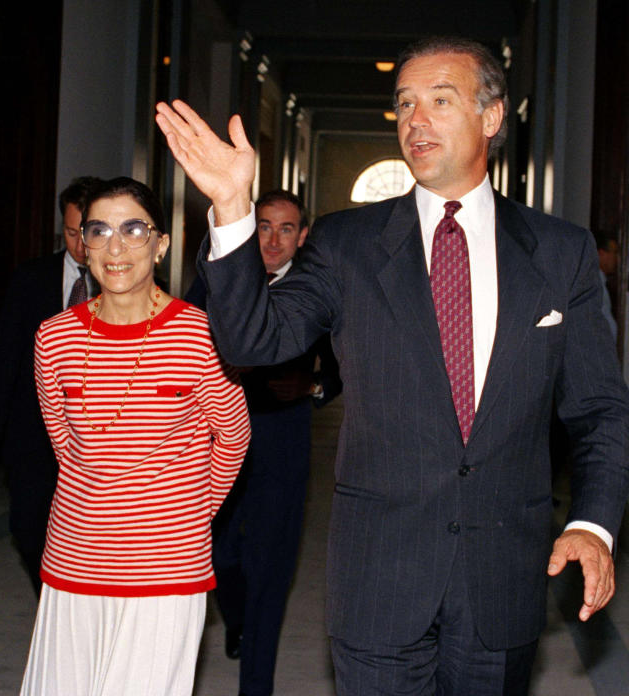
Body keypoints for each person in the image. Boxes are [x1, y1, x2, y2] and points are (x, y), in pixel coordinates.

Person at [156, 35, 629, 695]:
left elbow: (599, 407)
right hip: (381, 577)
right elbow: (252, 343)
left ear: (491, 118)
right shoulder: (346, 245)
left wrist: (593, 523)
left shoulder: (561, 252)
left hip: (501, 574)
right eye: (404, 104)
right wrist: (233, 211)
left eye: (440, 99)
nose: (416, 120)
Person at [19, 177, 251, 695]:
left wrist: (188, 510)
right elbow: (66, 448)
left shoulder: (202, 336)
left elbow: (233, 438)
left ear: (160, 243)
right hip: (74, 558)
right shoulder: (54, 338)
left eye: (133, 229)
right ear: (82, 244)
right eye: (98, 231)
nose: (115, 247)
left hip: (168, 563)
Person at [186, 189, 342, 696]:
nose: (274, 239)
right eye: (265, 227)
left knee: (271, 574)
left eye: (287, 229)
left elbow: (340, 372)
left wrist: (313, 386)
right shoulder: (217, 277)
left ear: (303, 236)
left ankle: (257, 686)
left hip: (281, 448)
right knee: (219, 557)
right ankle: (237, 618)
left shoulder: (319, 290)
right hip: (214, 447)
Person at [0, 176, 102, 595]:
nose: (81, 244)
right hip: (34, 432)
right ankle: (51, 599)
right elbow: (5, 354)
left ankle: (77, 603)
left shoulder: (125, 283)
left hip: (101, 436)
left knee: (92, 537)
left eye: (91, 232)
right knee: (27, 529)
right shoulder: (31, 278)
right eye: (71, 232)